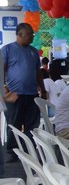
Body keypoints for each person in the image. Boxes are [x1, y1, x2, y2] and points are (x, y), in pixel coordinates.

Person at [2, 23, 43, 160]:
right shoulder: (7, 50)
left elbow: (38, 73)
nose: (32, 36)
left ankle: (29, 151)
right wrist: (5, 92)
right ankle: (12, 153)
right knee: (14, 124)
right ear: (20, 35)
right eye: (30, 33)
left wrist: (42, 89)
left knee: (32, 125)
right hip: (15, 95)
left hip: (32, 94)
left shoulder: (33, 51)